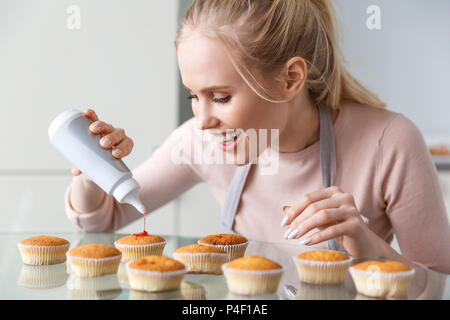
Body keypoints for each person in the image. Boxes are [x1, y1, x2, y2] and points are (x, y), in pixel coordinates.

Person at [65, 0, 450, 273]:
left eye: (220, 97)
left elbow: (440, 286)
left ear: (290, 79)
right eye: (193, 97)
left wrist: (367, 246)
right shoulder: (202, 142)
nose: (203, 121)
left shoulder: (390, 143)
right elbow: (103, 220)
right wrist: (92, 170)